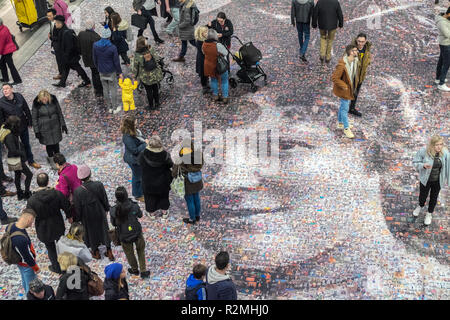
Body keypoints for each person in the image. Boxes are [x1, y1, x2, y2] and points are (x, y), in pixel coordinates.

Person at [26, 172, 71, 274]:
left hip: (43, 228)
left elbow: (29, 216)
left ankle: (56, 267)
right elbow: (66, 206)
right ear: (48, 182)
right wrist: (69, 216)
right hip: (57, 224)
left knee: (50, 248)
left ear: (38, 183)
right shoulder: (56, 194)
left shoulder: (32, 200)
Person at [73, 164, 114, 261]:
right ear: (90, 174)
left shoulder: (77, 191)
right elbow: (104, 198)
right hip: (99, 210)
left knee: (90, 232)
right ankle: (109, 250)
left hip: (86, 215)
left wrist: (78, 218)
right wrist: (106, 208)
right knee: (104, 229)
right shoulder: (98, 185)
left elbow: (77, 207)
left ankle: (95, 252)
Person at [110, 186, 150, 278]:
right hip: (136, 232)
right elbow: (140, 215)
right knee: (140, 251)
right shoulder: (134, 206)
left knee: (129, 253)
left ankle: (134, 269)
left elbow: (113, 223)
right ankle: (143, 270)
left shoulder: (114, 210)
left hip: (124, 235)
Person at [0, 83, 40, 169]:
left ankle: (31, 161)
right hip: (11, 130)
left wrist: (30, 121)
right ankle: (17, 168)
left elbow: (26, 108)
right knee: (13, 148)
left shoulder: (19, 96)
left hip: (22, 125)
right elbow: (1, 119)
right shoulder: (1, 102)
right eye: (3, 89)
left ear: (12, 89)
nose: (5, 91)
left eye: (7, 88)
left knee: (26, 144)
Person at [412, 135, 450, 226]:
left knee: (434, 197)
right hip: (425, 179)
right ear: (432, 145)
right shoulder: (423, 151)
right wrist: (423, 165)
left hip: (438, 180)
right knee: (423, 196)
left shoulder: (445, 153)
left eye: (441, 144)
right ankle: (420, 206)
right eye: (437, 145)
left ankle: (429, 214)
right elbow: (415, 162)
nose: (439, 147)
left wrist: (448, 182)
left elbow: (448, 167)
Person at [138, 135, 173, 217]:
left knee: (150, 197)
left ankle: (152, 213)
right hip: (163, 181)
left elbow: (140, 163)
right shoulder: (165, 154)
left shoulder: (143, 154)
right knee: (164, 196)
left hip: (148, 181)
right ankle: (164, 212)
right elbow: (170, 165)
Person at [31, 90, 67, 170]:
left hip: (55, 125)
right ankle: (51, 160)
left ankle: (58, 159)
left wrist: (63, 124)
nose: (44, 101)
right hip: (44, 127)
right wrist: (36, 131)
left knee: (56, 143)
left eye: (46, 99)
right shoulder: (36, 104)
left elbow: (59, 112)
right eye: (42, 100)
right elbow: (34, 118)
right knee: (49, 145)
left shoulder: (53, 100)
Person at [52, 15, 91, 88]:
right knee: (66, 69)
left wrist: (65, 57)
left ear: (60, 23)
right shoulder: (62, 30)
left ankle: (87, 80)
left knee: (78, 68)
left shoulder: (66, 33)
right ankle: (62, 82)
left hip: (70, 57)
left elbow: (69, 47)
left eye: (56, 23)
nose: (55, 24)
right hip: (68, 56)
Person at [93, 25, 124, 114]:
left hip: (101, 70)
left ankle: (109, 107)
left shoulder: (95, 45)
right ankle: (114, 107)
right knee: (113, 88)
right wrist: (120, 72)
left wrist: (98, 67)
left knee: (105, 89)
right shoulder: (112, 47)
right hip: (111, 70)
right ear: (109, 36)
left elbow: (94, 59)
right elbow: (116, 62)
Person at [172, 138, 203, 224]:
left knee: (190, 201)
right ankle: (197, 216)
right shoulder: (198, 155)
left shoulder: (180, 158)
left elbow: (174, 173)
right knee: (196, 198)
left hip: (187, 182)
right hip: (197, 180)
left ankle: (192, 219)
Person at [8, 208, 39, 294]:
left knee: (25, 280)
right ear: (29, 219)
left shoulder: (10, 226)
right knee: (32, 287)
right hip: (27, 265)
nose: (32, 224)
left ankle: (27, 293)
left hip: (19, 261)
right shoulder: (20, 239)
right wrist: (35, 267)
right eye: (32, 221)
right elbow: (27, 257)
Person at [331, 44, 359, 139]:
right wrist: (344, 86)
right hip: (344, 90)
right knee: (345, 108)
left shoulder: (354, 61)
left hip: (348, 88)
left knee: (343, 106)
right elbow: (334, 77)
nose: (357, 52)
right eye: (355, 50)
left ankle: (340, 123)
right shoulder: (342, 65)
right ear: (351, 52)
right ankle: (346, 128)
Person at [3, 116, 33, 200]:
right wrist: (23, 153)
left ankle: (20, 194)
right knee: (29, 175)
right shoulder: (9, 136)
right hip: (15, 159)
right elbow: (13, 150)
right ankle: (26, 193)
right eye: (18, 124)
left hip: (13, 158)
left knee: (18, 175)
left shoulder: (11, 132)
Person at [131, 37, 163, 110]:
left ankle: (151, 105)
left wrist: (134, 77)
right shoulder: (151, 49)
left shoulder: (137, 54)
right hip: (154, 74)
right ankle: (157, 103)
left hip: (145, 76)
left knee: (148, 91)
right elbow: (157, 58)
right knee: (155, 88)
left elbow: (135, 67)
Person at [121, 116, 146, 201]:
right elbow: (134, 150)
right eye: (135, 123)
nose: (137, 124)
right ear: (130, 125)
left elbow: (140, 137)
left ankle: (138, 192)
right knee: (137, 177)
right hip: (133, 160)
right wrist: (144, 144)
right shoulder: (127, 137)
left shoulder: (134, 130)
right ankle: (138, 195)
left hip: (137, 158)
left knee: (137, 175)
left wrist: (144, 140)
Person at [78, 20, 104, 97]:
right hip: (95, 59)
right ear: (93, 26)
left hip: (86, 58)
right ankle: (99, 90)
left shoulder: (81, 34)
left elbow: (78, 46)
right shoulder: (96, 37)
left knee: (93, 72)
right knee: (96, 74)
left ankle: (96, 88)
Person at [202, 29, 229, 103]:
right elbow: (226, 53)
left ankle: (215, 95)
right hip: (219, 65)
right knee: (224, 80)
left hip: (209, 65)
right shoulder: (217, 45)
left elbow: (203, 52)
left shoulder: (204, 44)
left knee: (213, 80)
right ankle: (225, 97)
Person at [349, 33, 372, 117]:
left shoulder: (367, 49)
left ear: (365, 41)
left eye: (362, 42)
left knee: (355, 93)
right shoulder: (352, 49)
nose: (360, 43)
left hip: (361, 75)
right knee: (347, 93)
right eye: (359, 41)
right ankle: (344, 110)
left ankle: (351, 108)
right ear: (356, 40)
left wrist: (368, 61)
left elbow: (368, 58)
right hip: (352, 75)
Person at [54, 153, 81, 220]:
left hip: (74, 199)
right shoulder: (74, 167)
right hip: (80, 192)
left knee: (77, 217)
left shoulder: (62, 177)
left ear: (57, 164)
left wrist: (57, 186)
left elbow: (64, 193)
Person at [0, 18, 22, 85]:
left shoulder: (1, 33)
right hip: (8, 49)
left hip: (7, 50)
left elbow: (1, 44)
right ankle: (5, 78)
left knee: (11, 65)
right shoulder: (4, 27)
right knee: (2, 63)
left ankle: (17, 80)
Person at [435, 7, 450, 92]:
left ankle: (438, 78)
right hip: (446, 44)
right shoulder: (442, 22)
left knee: (441, 61)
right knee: (447, 63)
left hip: (445, 43)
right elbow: (448, 34)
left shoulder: (445, 19)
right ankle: (441, 84)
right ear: (448, 14)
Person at [47, 9, 63, 81]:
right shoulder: (51, 22)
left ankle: (61, 74)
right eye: (47, 16)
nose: (48, 17)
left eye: (50, 16)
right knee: (59, 60)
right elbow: (52, 31)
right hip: (55, 44)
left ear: (54, 15)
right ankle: (61, 73)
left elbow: (59, 36)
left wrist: (51, 37)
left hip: (59, 45)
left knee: (61, 60)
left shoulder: (58, 24)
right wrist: (50, 33)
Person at [195, 26, 210, 94]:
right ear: (201, 33)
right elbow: (204, 52)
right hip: (202, 60)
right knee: (203, 74)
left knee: (206, 73)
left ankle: (206, 83)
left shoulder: (205, 39)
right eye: (205, 32)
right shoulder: (200, 41)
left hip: (205, 59)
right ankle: (204, 87)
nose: (207, 33)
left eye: (207, 31)